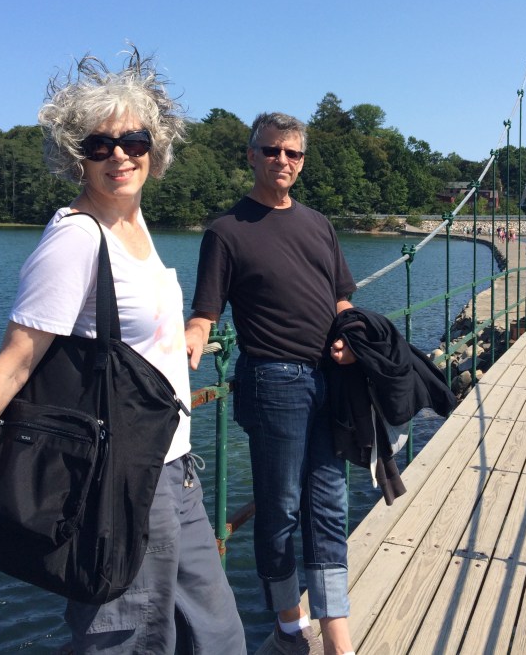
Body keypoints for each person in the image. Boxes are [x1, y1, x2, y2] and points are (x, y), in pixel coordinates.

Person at [0, 49, 246, 655]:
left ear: (156, 149)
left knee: (219, 636)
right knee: (124, 640)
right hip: (119, 478)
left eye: (133, 139)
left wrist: (189, 335)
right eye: (100, 145)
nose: (120, 154)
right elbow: (17, 360)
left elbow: (129, 323)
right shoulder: (76, 238)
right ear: (78, 157)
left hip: (175, 468)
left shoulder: (136, 222)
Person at [186, 112, 357, 655]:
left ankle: (336, 634)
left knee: (328, 504)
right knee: (280, 507)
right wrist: (188, 341)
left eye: (293, 154)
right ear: (251, 156)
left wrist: (352, 339)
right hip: (273, 380)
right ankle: (289, 621)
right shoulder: (227, 230)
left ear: (302, 162)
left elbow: (342, 300)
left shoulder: (319, 224)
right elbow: (205, 313)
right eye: (271, 151)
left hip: (329, 378)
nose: (282, 161)